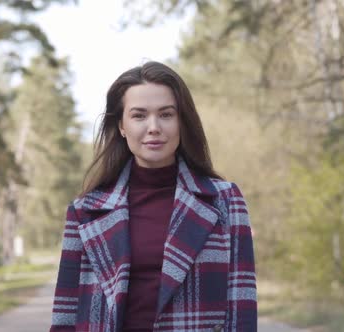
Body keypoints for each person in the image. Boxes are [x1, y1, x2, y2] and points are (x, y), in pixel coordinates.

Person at [49, 61, 257, 332]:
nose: (154, 127)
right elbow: (65, 315)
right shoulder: (85, 211)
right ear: (121, 126)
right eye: (139, 116)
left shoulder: (225, 201)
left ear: (182, 122)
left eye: (166, 114)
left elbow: (242, 310)